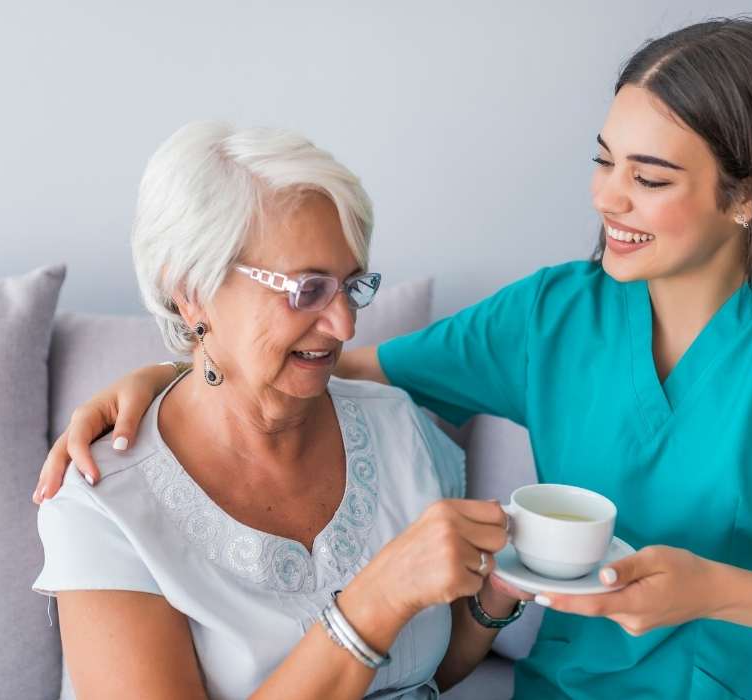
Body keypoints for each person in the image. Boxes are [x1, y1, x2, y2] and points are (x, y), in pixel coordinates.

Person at [35, 18, 752, 699]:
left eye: (650, 178)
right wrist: (163, 373)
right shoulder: (552, 317)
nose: (608, 199)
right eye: (604, 159)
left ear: (746, 197)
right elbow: (334, 362)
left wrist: (711, 589)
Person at [31, 121, 525, 699]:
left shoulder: (396, 425)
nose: (344, 325)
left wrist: (500, 593)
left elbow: (424, 673)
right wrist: (375, 601)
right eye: (307, 290)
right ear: (191, 288)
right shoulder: (103, 499)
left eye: (351, 286)